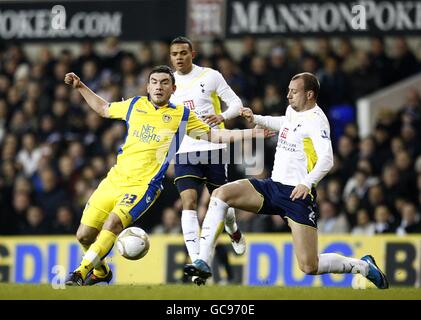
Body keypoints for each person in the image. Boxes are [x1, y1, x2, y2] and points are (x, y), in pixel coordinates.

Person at [184, 72, 389, 289]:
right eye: (289, 90)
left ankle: (363, 266)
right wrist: (258, 119)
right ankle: (203, 261)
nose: (288, 95)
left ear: (309, 94)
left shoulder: (317, 121)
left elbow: (327, 159)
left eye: (294, 91)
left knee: (310, 266)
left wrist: (307, 183)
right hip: (272, 187)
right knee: (221, 194)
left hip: (296, 196)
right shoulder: (293, 111)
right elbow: (286, 123)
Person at [63, 65, 265, 286]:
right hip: (114, 180)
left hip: (144, 186)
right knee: (83, 235)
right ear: (148, 87)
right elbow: (103, 108)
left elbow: (214, 136)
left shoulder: (181, 116)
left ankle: (79, 273)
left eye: (164, 83)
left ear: (173, 88)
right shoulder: (134, 105)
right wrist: (81, 86)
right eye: (155, 82)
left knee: (113, 224)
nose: (159, 87)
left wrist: (251, 133)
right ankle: (101, 272)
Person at [169, 37, 246, 285]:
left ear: (193, 53)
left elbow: (236, 104)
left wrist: (221, 115)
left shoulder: (211, 76)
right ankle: (197, 261)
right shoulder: (167, 83)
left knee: (221, 201)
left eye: (183, 52)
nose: (179, 57)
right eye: (174, 54)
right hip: (184, 151)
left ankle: (233, 231)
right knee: (188, 202)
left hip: (213, 147)